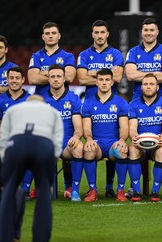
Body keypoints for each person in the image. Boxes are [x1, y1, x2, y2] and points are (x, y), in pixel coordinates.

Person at [0, 95, 63, 242]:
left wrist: (6, 166)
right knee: (43, 195)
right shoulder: (53, 111)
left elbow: (3, 141)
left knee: (8, 191)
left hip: (16, 143)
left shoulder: (13, 110)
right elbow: (57, 143)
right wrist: (48, 167)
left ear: (27, 103)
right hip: (44, 145)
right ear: (42, 103)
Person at [76, 19, 124, 198]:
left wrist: (91, 73)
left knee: (111, 140)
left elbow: (117, 78)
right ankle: (92, 188)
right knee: (91, 143)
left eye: (102, 32)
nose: (99, 35)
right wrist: (104, 74)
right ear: (92, 34)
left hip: (111, 102)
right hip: (91, 104)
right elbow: (80, 79)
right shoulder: (84, 54)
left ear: (107, 34)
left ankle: (111, 186)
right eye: (96, 32)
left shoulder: (116, 53)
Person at [27, 22, 77, 196]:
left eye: (53, 33)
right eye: (47, 33)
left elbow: (70, 76)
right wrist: (54, 76)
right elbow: (32, 78)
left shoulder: (68, 55)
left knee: (67, 141)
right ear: (43, 36)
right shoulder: (36, 55)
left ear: (59, 36)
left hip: (63, 101)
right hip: (42, 104)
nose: (50, 35)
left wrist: (45, 75)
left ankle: (69, 186)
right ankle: (38, 185)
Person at [81, 68, 129, 202]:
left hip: (113, 143)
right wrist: (89, 139)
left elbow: (125, 126)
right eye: (101, 80)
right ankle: (92, 190)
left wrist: (122, 140)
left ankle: (120, 190)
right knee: (89, 150)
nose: (104, 83)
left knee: (121, 150)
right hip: (97, 144)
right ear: (96, 82)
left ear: (112, 82)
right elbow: (86, 127)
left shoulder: (120, 102)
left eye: (107, 80)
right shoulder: (88, 103)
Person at [128, 73, 162, 201]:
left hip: (157, 142)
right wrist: (134, 137)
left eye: (151, 84)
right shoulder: (133, 104)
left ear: (157, 87)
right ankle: (136, 191)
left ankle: (155, 191)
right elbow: (132, 127)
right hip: (140, 143)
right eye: (145, 84)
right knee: (132, 148)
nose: (148, 87)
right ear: (141, 87)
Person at [42, 64, 83, 199]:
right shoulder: (41, 100)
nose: (55, 79)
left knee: (79, 148)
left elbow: (78, 127)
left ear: (64, 78)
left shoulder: (73, 99)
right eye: (52, 76)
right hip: (48, 143)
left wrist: (76, 137)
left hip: (66, 144)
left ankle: (74, 190)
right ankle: (39, 188)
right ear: (48, 79)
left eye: (59, 76)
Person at [0, 66, 33, 194]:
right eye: (11, 78)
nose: (14, 81)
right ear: (7, 80)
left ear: (23, 80)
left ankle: (25, 189)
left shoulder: (30, 100)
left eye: (17, 78)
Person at [125, 18, 162, 100]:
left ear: (157, 32)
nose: (148, 33)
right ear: (142, 32)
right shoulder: (133, 51)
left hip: (161, 100)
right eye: (146, 30)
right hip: (138, 99)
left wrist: (140, 75)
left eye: (152, 30)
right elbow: (130, 75)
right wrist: (156, 74)